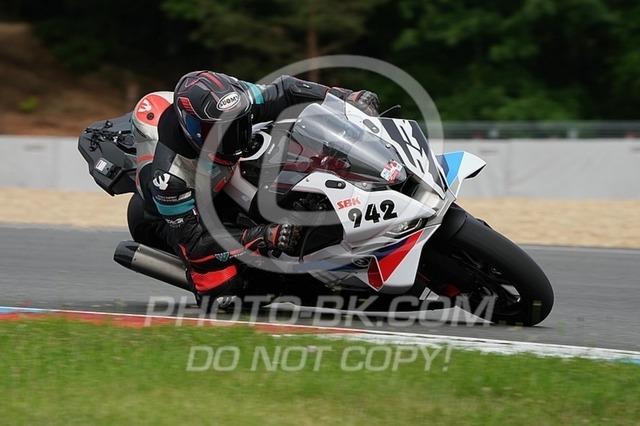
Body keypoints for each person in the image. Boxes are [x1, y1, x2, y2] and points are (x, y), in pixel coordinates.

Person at [128, 70, 380, 309]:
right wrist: (262, 235)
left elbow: (287, 90)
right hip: (183, 218)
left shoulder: (238, 98)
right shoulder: (170, 178)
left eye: (238, 123)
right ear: (193, 130)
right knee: (226, 290)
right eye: (222, 130)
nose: (235, 136)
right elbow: (196, 245)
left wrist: (345, 97)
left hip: (220, 173)